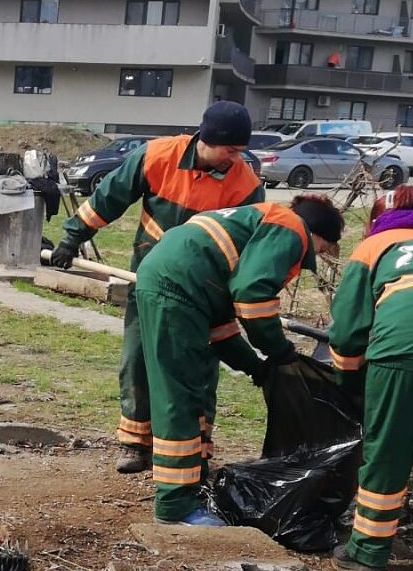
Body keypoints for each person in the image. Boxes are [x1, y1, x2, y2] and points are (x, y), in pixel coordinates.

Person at [50, 101, 264, 473]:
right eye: (230, 150)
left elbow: (248, 246)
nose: (235, 159)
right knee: (138, 358)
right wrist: (72, 237)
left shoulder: (244, 185)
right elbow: (109, 197)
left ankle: (195, 445)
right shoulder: (157, 156)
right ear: (208, 140)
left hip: (204, 291)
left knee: (198, 366)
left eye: (240, 152)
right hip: (149, 282)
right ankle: (135, 443)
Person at [135, 196, 343, 526]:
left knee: (192, 391)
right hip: (177, 289)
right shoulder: (291, 229)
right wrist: (278, 350)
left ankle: (191, 481)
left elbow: (223, 329)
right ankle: (175, 505)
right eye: (321, 249)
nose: (314, 255)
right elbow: (253, 296)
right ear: (318, 235)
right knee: (178, 396)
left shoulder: (258, 223)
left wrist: (255, 367)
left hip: (181, 284)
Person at [329, 186, 413, 571]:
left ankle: (368, 551)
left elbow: (348, 332)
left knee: (388, 452)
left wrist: (348, 382)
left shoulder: (375, 247)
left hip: (402, 348)